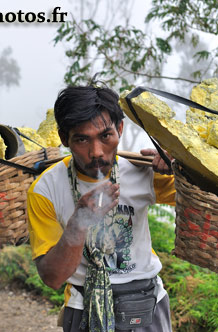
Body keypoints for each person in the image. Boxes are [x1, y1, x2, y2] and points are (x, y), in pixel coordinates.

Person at [27, 85, 175, 332]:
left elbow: (212, 201)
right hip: (83, 307)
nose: (96, 152)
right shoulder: (46, 190)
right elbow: (52, 278)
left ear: (120, 129)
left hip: (147, 304)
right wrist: (79, 221)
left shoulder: (143, 172)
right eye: (82, 139)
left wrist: (182, 168)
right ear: (65, 139)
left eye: (105, 136)